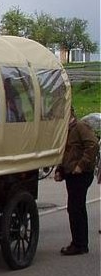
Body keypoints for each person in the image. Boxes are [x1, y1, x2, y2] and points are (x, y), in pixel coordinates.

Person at [54, 107, 99, 256]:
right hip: (72, 173)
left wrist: (81, 165)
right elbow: (65, 153)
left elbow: (92, 145)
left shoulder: (80, 126)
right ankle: (80, 243)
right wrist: (60, 170)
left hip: (81, 174)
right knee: (75, 208)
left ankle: (79, 244)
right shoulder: (65, 130)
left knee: (76, 208)